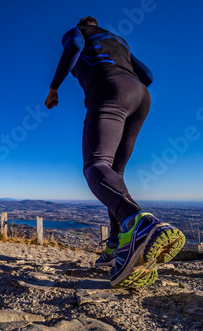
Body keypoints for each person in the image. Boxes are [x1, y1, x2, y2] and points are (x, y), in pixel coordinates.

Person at [45, 16, 185, 288]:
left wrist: (54, 87)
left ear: (84, 23)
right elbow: (148, 76)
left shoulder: (79, 31)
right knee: (114, 174)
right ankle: (116, 248)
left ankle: (140, 224)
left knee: (94, 166)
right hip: (141, 97)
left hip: (109, 88)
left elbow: (73, 45)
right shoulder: (120, 41)